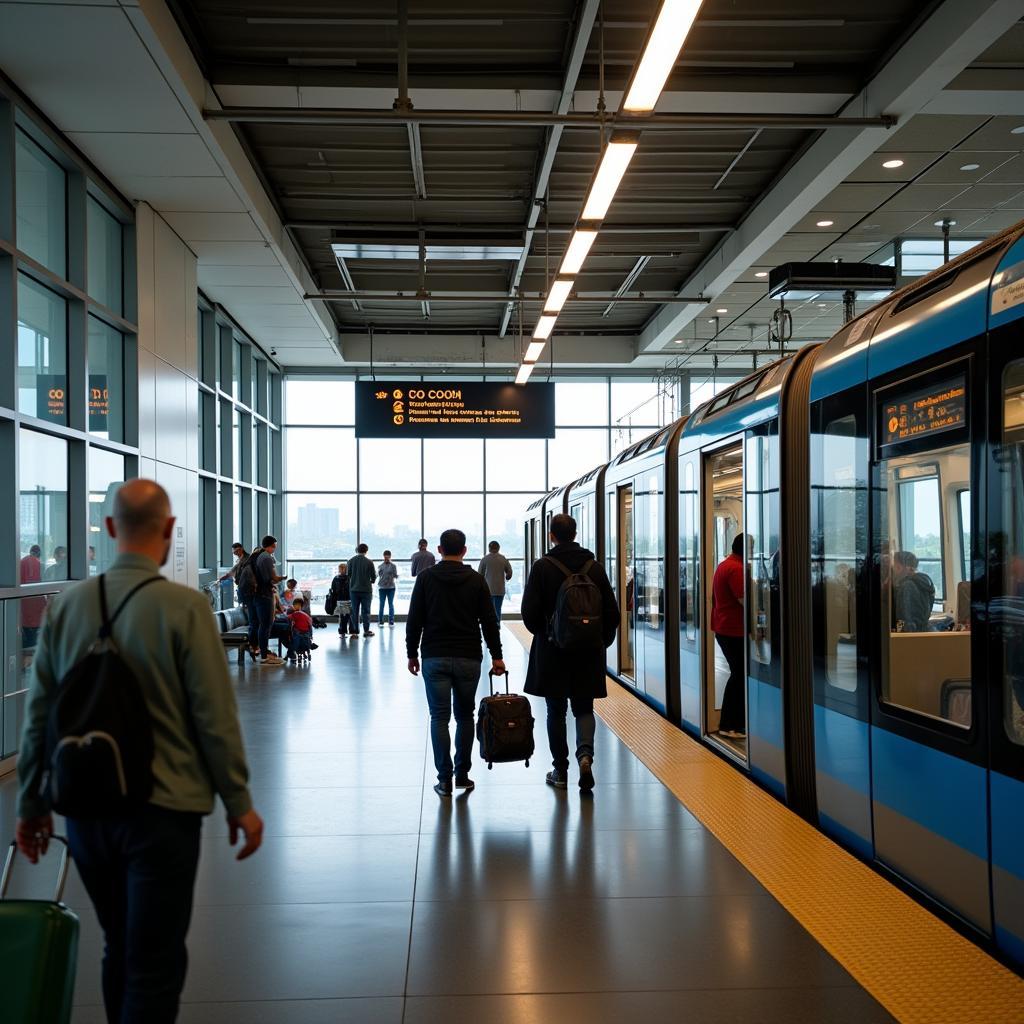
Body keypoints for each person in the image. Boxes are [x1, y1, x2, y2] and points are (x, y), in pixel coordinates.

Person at [15, 479, 263, 1024]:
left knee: (118, 945)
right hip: (164, 809)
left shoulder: (69, 605)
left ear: (108, 530)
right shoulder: (185, 608)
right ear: (170, 530)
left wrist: (31, 803)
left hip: (87, 808)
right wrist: (238, 800)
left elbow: (40, 714)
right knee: (155, 958)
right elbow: (213, 717)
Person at [522, 513, 618, 792]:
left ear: (552, 535)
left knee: (555, 710)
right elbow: (611, 612)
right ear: (575, 534)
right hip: (588, 651)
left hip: (553, 651)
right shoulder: (594, 567)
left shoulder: (542, 567)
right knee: (584, 707)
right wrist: (601, 641)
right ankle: (585, 755)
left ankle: (560, 770)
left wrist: (547, 633)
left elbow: (529, 614)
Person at [407, 528, 505, 798]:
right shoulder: (475, 580)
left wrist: (411, 653)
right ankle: (462, 775)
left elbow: (414, 618)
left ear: (439, 550)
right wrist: (496, 656)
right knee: (465, 716)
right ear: (464, 551)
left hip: (434, 656)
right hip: (468, 657)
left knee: (439, 717)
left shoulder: (426, 578)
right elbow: (489, 622)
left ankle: (444, 779)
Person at [711, 533, 747, 739]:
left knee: (737, 674)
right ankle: (730, 724)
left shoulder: (725, 564)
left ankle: (734, 722)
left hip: (724, 628)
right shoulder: (736, 569)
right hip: (734, 629)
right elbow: (744, 600)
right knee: (739, 675)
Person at [253, 535, 286, 666]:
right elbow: (273, 577)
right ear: (270, 545)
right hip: (265, 594)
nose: (274, 549)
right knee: (266, 624)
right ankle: (265, 656)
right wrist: (282, 578)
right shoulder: (267, 557)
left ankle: (264, 653)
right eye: (274, 547)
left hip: (260, 593)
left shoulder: (259, 556)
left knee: (264, 624)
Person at [892, 550, 935, 632]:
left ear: (900, 567)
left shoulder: (907, 586)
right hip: (922, 632)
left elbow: (906, 618)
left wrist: (900, 634)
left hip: (910, 636)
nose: (893, 570)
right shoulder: (923, 582)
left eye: (895, 566)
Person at [478, 540, 513, 622]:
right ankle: (497, 625)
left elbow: (479, 575)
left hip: (487, 589)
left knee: (487, 609)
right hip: (500, 589)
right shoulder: (503, 559)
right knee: (497, 609)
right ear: (498, 548)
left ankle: (489, 625)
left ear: (489, 548)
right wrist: (507, 577)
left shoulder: (484, 559)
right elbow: (509, 572)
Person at [348, 543, 377, 637]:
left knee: (355, 611)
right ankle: (366, 630)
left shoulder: (351, 561)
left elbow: (349, 575)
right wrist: (371, 580)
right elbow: (373, 576)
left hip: (354, 590)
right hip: (366, 590)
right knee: (366, 611)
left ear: (357, 550)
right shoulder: (369, 562)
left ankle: (355, 632)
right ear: (366, 551)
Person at [19, 544, 45, 650]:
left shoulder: (21, 563)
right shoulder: (40, 565)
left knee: (25, 644)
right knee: (34, 645)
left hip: (23, 610)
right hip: (37, 612)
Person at [287, 597, 314, 663]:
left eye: (294, 605)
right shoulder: (306, 615)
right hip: (307, 633)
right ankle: (306, 651)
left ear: (298, 606)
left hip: (298, 633)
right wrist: (311, 635)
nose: (293, 606)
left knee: (294, 644)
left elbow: (288, 617)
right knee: (305, 642)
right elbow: (310, 624)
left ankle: (290, 654)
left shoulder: (296, 614)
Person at [329, 562, 353, 636]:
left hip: (340, 599)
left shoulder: (336, 578)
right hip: (349, 599)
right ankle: (351, 631)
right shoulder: (350, 578)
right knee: (350, 616)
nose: (342, 570)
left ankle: (342, 631)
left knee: (342, 616)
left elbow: (333, 589)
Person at [377, 550, 398, 626]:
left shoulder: (393, 566)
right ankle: (380, 620)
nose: (386, 558)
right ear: (383, 556)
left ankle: (391, 620)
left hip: (390, 587)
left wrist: (395, 575)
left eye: (387, 556)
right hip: (382, 587)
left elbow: (395, 576)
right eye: (385, 556)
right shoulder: (380, 566)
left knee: (390, 604)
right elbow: (379, 575)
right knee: (382, 604)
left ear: (390, 557)